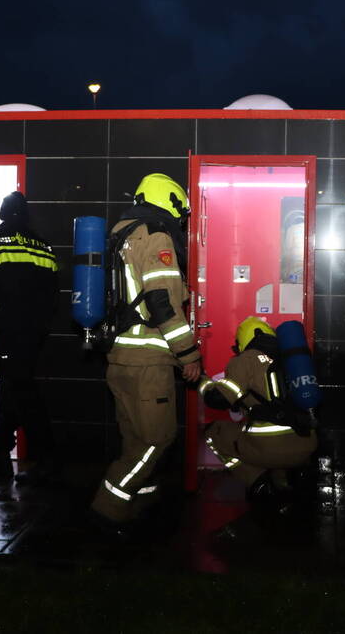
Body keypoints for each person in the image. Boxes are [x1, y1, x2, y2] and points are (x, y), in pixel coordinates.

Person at [90, 173, 201, 533]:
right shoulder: (156, 235)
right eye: (181, 211)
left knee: (135, 438)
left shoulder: (118, 234)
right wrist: (188, 354)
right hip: (147, 362)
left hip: (119, 358)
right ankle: (109, 506)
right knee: (157, 439)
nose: (182, 220)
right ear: (170, 201)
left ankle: (139, 502)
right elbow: (163, 302)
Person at [0, 191, 59, 483]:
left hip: (9, 329)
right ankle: (1, 455)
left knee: (23, 393)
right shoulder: (44, 244)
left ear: (4, 212)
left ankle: (47, 460)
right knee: (10, 387)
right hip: (34, 332)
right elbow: (54, 291)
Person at [198, 317, 318, 503]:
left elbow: (219, 400)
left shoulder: (246, 359)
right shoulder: (290, 358)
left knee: (213, 432)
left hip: (270, 450)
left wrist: (202, 381)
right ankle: (283, 481)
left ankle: (257, 481)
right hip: (306, 445)